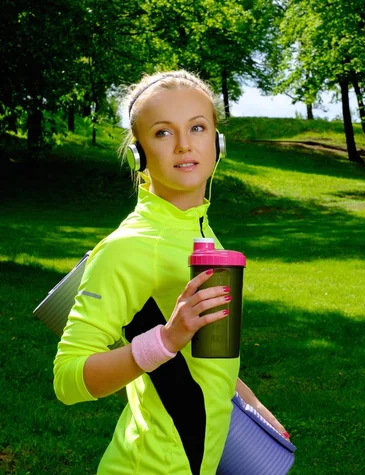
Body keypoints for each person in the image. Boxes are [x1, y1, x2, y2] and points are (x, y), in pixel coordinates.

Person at [53, 70, 287, 475]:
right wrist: (165, 338)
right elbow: (68, 379)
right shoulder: (128, 246)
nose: (184, 145)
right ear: (138, 153)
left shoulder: (201, 230)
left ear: (217, 143)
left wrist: (253, 406)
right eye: (163, 133)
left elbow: (205, 357)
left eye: (197, 127)